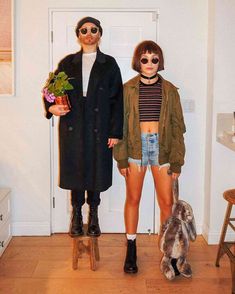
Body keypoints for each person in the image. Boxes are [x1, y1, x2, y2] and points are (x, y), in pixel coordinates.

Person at [43, 17, 123, 237]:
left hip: (100, 124)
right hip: (73, 123)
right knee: (76, 168)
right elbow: (51, 90)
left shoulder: (110, 64)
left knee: (96, 168)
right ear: (78, 35)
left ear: (100, 34)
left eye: (93, 30)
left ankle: (94, 215)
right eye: (84, 30)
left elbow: (117, 99)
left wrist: (115, 132)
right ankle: (76, 214)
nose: (89, 33)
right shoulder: (67, 63)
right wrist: (51, 108)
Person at [113, 40, 186, 274]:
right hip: (135, 148)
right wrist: (121, 158)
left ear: (159, 61)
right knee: (133, 198)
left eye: (154, 59)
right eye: (144, 59)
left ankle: (169, 251)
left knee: (166, 202)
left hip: (162, 150)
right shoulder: (127, 89)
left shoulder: (170, 90)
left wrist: (177, 161)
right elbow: (120, 125)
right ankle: (131, 247)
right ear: (138, 61)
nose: (149, 64)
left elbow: (177, 127)